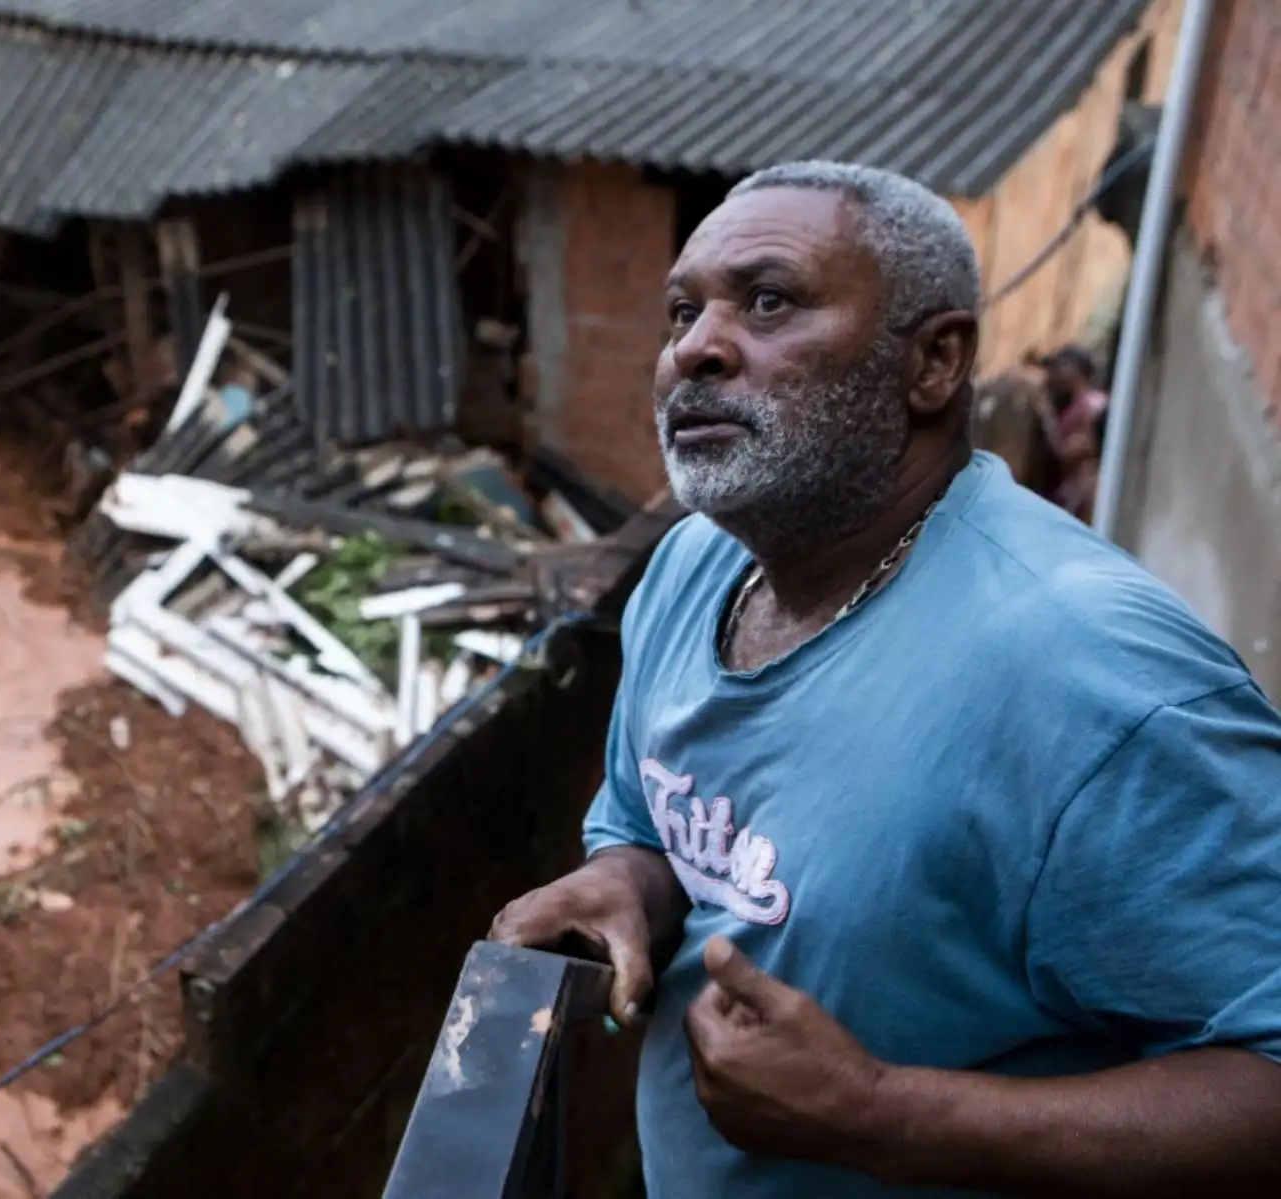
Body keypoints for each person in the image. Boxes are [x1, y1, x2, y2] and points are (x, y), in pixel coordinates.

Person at [489, 161, 1281, 1198]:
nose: (696, 349)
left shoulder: (1096, 679)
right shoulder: (694, 567)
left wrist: (876, 1110)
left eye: (769, 301)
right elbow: (654, 824)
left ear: (935, 363)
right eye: (683, 310)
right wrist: (628, 879)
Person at [1028, 343, 1110, 522]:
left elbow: (1065, 452)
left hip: (1081, 496)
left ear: (1074, 370)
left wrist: (1046, 416)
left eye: (1058, 368)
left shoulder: (1092, 407)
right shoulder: (1073, 406)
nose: (1053, 375)